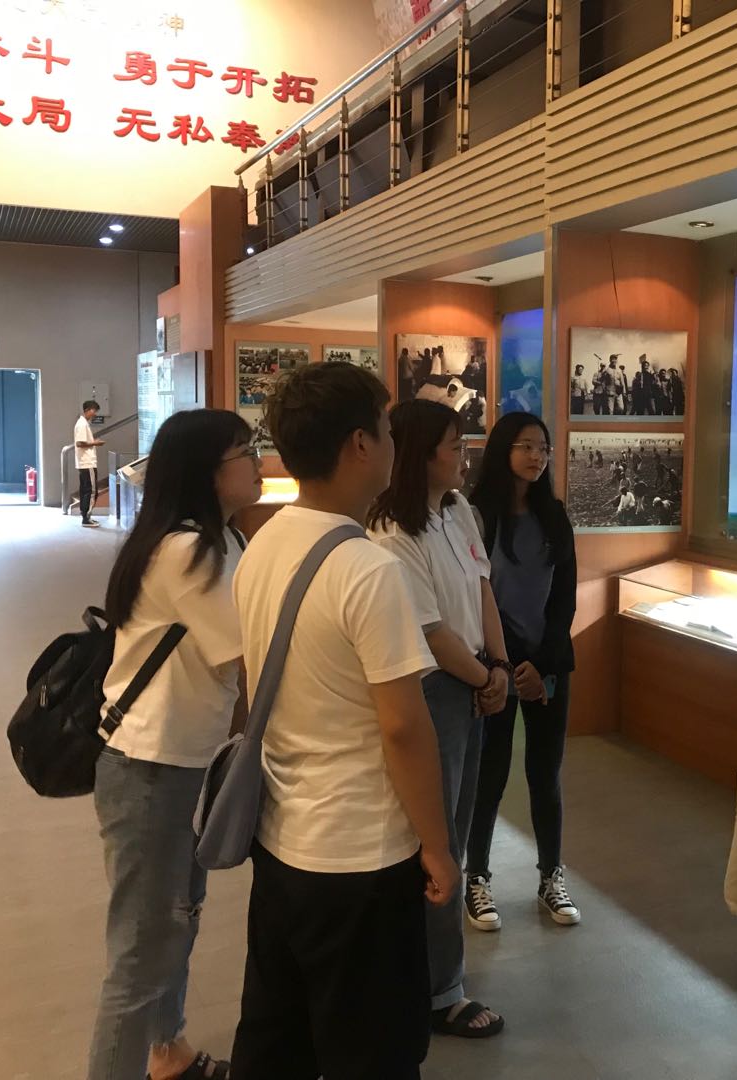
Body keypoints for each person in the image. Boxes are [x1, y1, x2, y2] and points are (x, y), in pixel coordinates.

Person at [230, 364, 458, 1080]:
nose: (393, 444)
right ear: (361, 444)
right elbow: (403, 727)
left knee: (278, 1042)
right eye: (387, 429)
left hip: (282, 842)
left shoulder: (263, 543)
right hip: (362, 855)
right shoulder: (368, 569)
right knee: (375, 1053)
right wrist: (437, 846)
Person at [88, 408, 262, 1080]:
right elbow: (250, 652)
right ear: (209, 473)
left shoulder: (220, 538)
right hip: (150, 768)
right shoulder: (191, 550)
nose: (258, 463)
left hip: (184, 760)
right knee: (140, 950)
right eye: (245, 452)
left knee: (176, 917)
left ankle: (168, 1051)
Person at [369, 400, 510, 1040]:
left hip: (473, 680)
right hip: (435, 690)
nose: (464, 455)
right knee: (435, 839)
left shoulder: (458, 510)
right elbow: (427, 631)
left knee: (456, 825)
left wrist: (498, 665)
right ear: (420, 454)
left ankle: (435, 978)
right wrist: (484, 679)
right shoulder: (391, 532)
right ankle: (439, 991)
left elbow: (482, 590)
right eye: (455, 445)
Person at [464, 412, 581, 933]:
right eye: (526, 446)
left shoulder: (555, 516)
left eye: (543, 448)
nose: (537, 456)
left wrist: (543, 665)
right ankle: (477, 877)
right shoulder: (475, 516)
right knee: (488, 777)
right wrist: (510, 665)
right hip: (492, 668)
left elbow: (564, 599)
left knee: (545, 775)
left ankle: (551, 876)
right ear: (502, 451)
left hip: (548, 666)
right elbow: (475, 598)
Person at [75, 399, 105, 528]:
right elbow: (79, 443)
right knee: (92, 491)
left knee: (85, 490)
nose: (95, 414)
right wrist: (95, 443)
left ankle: (85, 516)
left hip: (84, 463)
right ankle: (86, 518)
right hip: (87, 463)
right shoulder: (82, 424)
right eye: (94, 411)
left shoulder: (82, 423)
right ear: (87, 410)